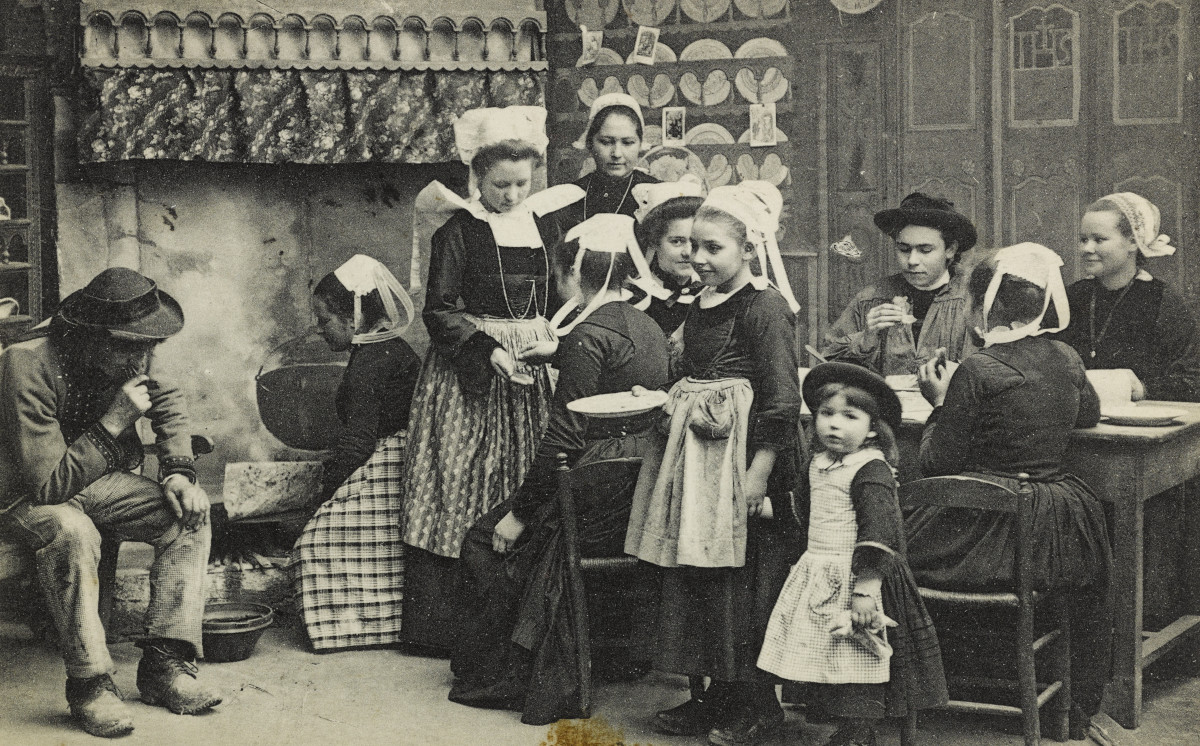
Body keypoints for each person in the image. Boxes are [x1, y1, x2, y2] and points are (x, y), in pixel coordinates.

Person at [450, 213, 670, 724]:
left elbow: (565, 437)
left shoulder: (587, 336)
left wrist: (519, 514)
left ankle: (504, 669)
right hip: (641, 481)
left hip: (594, 486)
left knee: (483, 539)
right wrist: (563, 353)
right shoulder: (649, 325)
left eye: (559, 271)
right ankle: (614, 651)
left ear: (573, 271)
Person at [0, 268, 220, 737]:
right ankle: (91, 684)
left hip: (89, 480)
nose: (141, 360)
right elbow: (48, 489)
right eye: (128, 346)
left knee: (189, 516)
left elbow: (168, 400)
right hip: (23, 494)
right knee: (73, 530)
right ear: (87, 336)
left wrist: (179, 471)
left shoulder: (129, 352)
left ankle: (165, 665)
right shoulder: (25, 362)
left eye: (148, 347)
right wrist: (116, 420)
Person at [905, 243, 1112, 738]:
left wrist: (939, 400)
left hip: (988, 530)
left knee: (889, 541)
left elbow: (937, 462)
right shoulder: (1065, 354)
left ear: (983, 309)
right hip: (1056, 524)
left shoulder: (979, 368)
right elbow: (1089, 415)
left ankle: (917, 688)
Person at [624, 182, 803, 746]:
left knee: (742, 583)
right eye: (692, 246)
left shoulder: (765, 307)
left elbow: (780, 397)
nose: (697, 259)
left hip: (744, 459)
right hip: (697, 460)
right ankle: (710, 696)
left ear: (748, 250)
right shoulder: (697, 305)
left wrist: (758, 473)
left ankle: (756, 707)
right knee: (697, 578)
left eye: (713, 249)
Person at [401, 107, 584, 650]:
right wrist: (487, 349)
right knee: (458, 477)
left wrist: (551, 341)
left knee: (529, 472)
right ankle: (451, 631)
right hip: (471, 369)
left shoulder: (546, 224)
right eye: (499, 185)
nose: (509, 195)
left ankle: (520, 625)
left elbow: (559, 294)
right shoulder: (458, 230)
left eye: (520, 184)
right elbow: (439, 308)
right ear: (477, 179)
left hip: (534, 359)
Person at [758, 362, 947, 746]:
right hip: (818, 569)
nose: (834, 425)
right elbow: (802, 510)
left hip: (859, 575)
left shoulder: (870, 468)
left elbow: (881, 529)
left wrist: (866, 588)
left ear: (873, 427)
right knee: (830, 651)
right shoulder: (819, 463)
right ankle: (845, 727)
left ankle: (860, 732)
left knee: (858, 655)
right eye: (826, 414)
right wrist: (758, 505)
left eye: (849, 416)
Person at [292, 255, 421, 651]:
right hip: (395, 459)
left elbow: (357, 444)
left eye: (324, 318)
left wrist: (324, 496)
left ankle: (354, 628)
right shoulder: (384, 348)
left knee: (312, 541)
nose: (319, 328)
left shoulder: (371, 361)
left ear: (354, 318)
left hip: (390, 464)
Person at [1054, 192, 1200, 402]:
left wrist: (1143, 389)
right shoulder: (1072, 296)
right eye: (1083, 239)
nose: (1086, 248)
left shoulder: (1163, 301)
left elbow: (1193, 380)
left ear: (1133, 242)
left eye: (1099, 239)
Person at [822, 193, 978, 376]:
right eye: (903, 249)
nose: (912, 260)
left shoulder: (974, 300)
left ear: (950, 249)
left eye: (925, 250)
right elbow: (827, 363)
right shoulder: (870, 298)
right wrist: (865, 339)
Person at [556, 93, 661, 228]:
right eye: (606, 142)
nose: (616, 153)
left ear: (640, 144)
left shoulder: (657, 194)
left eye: (628, 143)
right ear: (589, 143)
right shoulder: (571, 197)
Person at [629, 176, 707, 336]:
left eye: (694, 242)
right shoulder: (634, 297)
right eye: (677, 241)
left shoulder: (708, 293)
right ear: (654, 242)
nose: (687, 252)